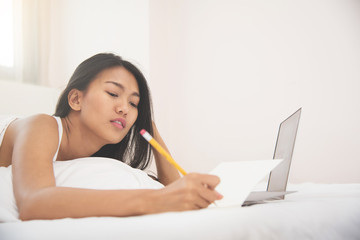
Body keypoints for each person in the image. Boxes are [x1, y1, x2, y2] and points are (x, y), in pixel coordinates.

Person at [0, 53, 222, 220]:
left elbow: (173, 189)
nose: (125, 109)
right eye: (113, 94)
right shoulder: (41, 126)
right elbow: (33, 203)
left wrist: (149, 127)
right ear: (76, 99)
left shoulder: (100, 159)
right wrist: (156, 201)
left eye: (134, 103)